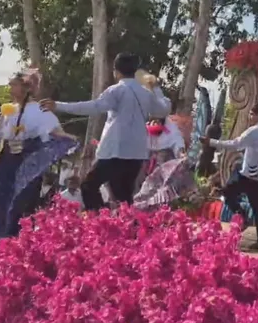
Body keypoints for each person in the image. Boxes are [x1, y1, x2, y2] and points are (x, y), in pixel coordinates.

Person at [0, 71, 77, 243]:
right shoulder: (7, 110)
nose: (9, 88)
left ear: (26, 87)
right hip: (6, 163)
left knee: (20, 204)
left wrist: (67, 138)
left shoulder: (39, 110)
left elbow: (54, 130)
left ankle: (14, 243)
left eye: (13, 84)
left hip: (27, 165)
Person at [41, 53, 171, 210]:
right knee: (123, 196)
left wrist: (59, 106)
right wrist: (156, 87)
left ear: (116, 72)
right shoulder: (146, 93)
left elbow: (94, 107)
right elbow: (164, 109)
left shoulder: (116, 90)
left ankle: (99, 222)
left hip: (115, 150)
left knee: (89, 185)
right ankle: (126, 229)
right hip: (137, 152)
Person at [201, 102, 258, 250]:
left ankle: (240, 213)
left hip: (248, 174)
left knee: (227, 191)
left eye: (252, 113)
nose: (250, 116)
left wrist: (210, 142)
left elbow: (234, 144)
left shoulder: (253, 131)